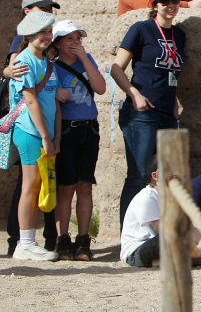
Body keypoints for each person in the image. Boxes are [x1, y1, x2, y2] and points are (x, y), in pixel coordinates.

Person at [111, 0, 185, 227]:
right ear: (155, 5)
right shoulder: (141, 29)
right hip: (141, 114)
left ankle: (163, 232)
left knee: (168, 175)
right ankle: (128, 233)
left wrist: (175, 102)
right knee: (139, 174)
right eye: (165, 1)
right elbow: (115, 68)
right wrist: (134, 94)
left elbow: (173, 72)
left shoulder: (180, 35)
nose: (171, 5)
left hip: (166, 114)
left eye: (174, 0)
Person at [4, 0, 60, 257]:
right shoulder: (25, 60)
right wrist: (47, 137)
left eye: (48, 30)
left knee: (37, 184)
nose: (46, 36)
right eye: (40, 31)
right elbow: (31, 101)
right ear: (28, 35)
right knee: (30, 184)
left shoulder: (46, 61)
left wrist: (54, 136)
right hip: (29, 131)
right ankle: (24, 243)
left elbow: (54, 103)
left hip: (43, 131)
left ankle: (28, 240)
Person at [50, 20, 106, 261]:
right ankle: (63, 240)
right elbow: (45, 92)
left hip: (89, 128)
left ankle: (84, 240)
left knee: (85, 185)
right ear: (59, 43)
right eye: (69, 39)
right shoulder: (52, 67)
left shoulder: (88, 59)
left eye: (78, 38)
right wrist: (54, 93)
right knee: (66, 187)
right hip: (67, 129)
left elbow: (101, 88)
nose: (75, 43)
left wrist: (85, 59)